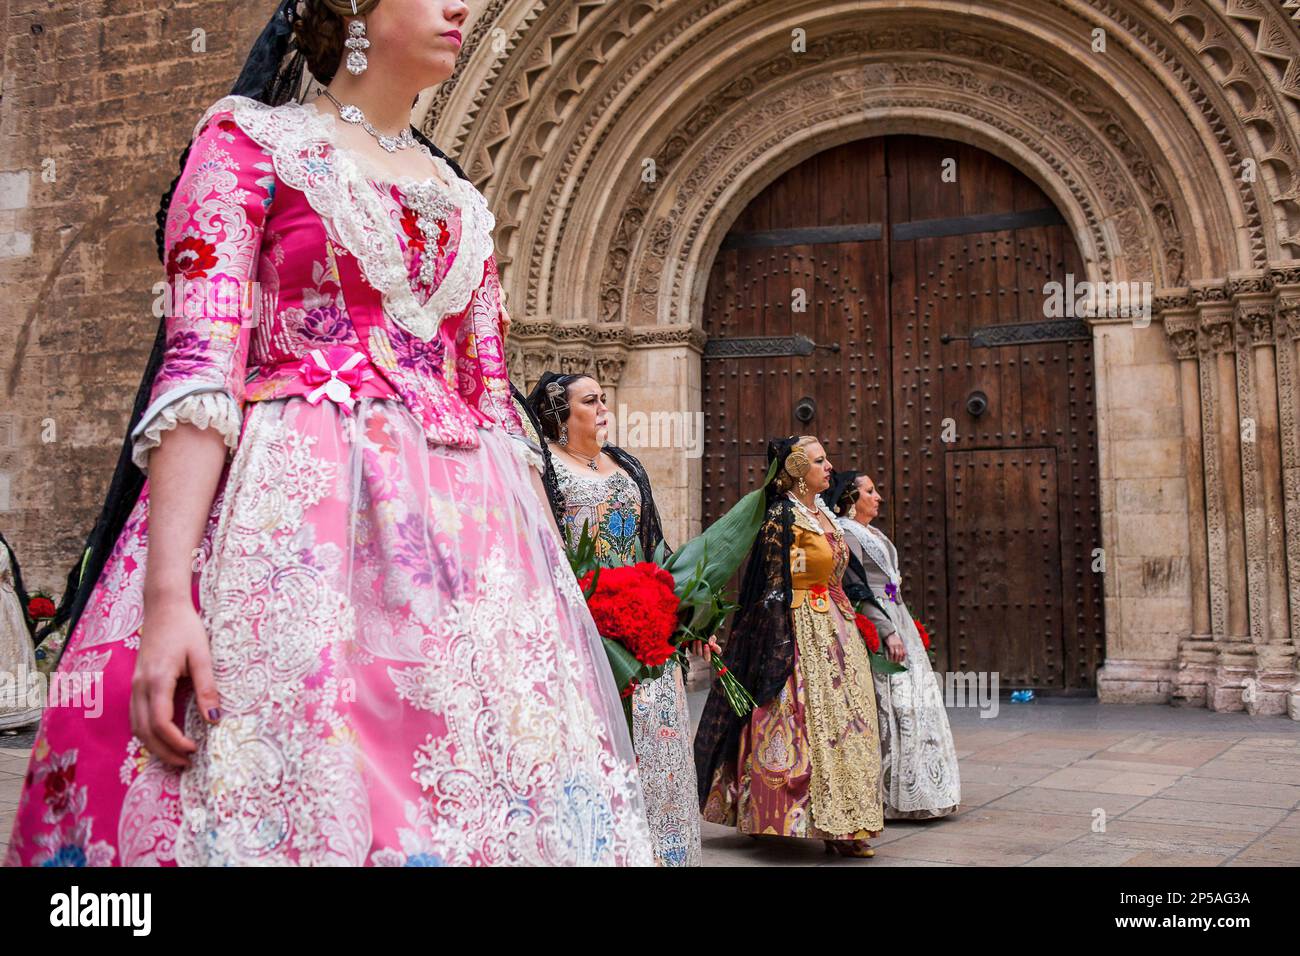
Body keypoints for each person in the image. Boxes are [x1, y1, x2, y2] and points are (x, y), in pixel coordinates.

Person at [5, 0, 652, 867]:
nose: (460, 6)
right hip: (293, 538)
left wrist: (551, 609)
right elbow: (199, 372)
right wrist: (167, 600)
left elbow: (494, 406)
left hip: (474, 561)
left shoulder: (463, 198)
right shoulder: (247, 145)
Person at [527, 370, 703, 867]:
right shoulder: (544, 468)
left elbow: (653, 543)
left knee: (661, 744)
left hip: (648, 628)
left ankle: (670, 854)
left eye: (604, 398)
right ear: (560, 413)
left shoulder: (625, 462)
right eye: (591, 401)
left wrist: (687, 613)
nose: (604, 408)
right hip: (591, 631)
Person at [694, 436, 884, 857]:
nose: (829, 467)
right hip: (796, 627)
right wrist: (776, 637)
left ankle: (849, 821)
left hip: (836, 629)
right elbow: (770, 581)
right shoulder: (782, 516)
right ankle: (778, 816)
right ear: (796, 469)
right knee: (798, 719)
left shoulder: (825, 515)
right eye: (819, 461)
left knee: (848, 723)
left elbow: (840, 576)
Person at [826, 471, 961, 820]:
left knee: (915, 700)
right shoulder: (847, 533)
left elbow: (888, 584)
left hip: (895, 615)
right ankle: (888, 791)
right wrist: (886, 628)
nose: (878, 497)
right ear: (851, 499)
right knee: (892, 699)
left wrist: (903, 615)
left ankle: (923, 784)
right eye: (870, 491)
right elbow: (856, 587)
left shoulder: (874, 534)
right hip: (879, 620)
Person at [0, 533, 41, 732]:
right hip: (5, 602)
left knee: (9, 656)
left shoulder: (1, 547)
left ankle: (8, 714)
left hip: (4, 607)